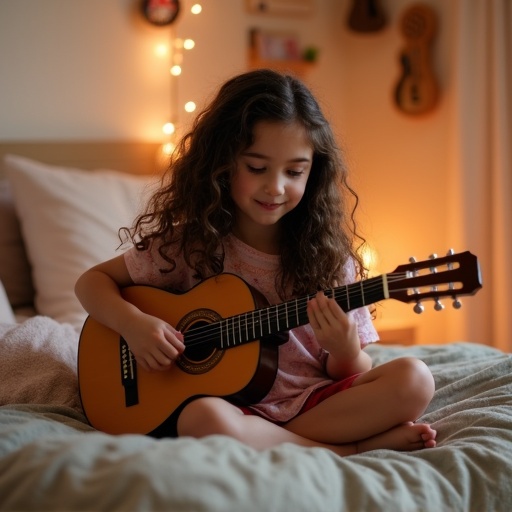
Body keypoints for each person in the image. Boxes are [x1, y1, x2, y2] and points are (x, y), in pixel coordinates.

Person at [75, 69, 436, 457]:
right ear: (222, 163)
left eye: (294, 171)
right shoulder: (190, 244)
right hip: (232, 408)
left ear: (313, 173)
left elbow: (353, 372)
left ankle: (293, 442)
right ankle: (348, 449)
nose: (276, 187)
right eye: (257, 168)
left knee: (415, 379)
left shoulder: (331, 258)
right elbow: (91, 283)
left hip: (314, 401)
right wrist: (134, 325)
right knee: (202, 419)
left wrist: (346, 351)